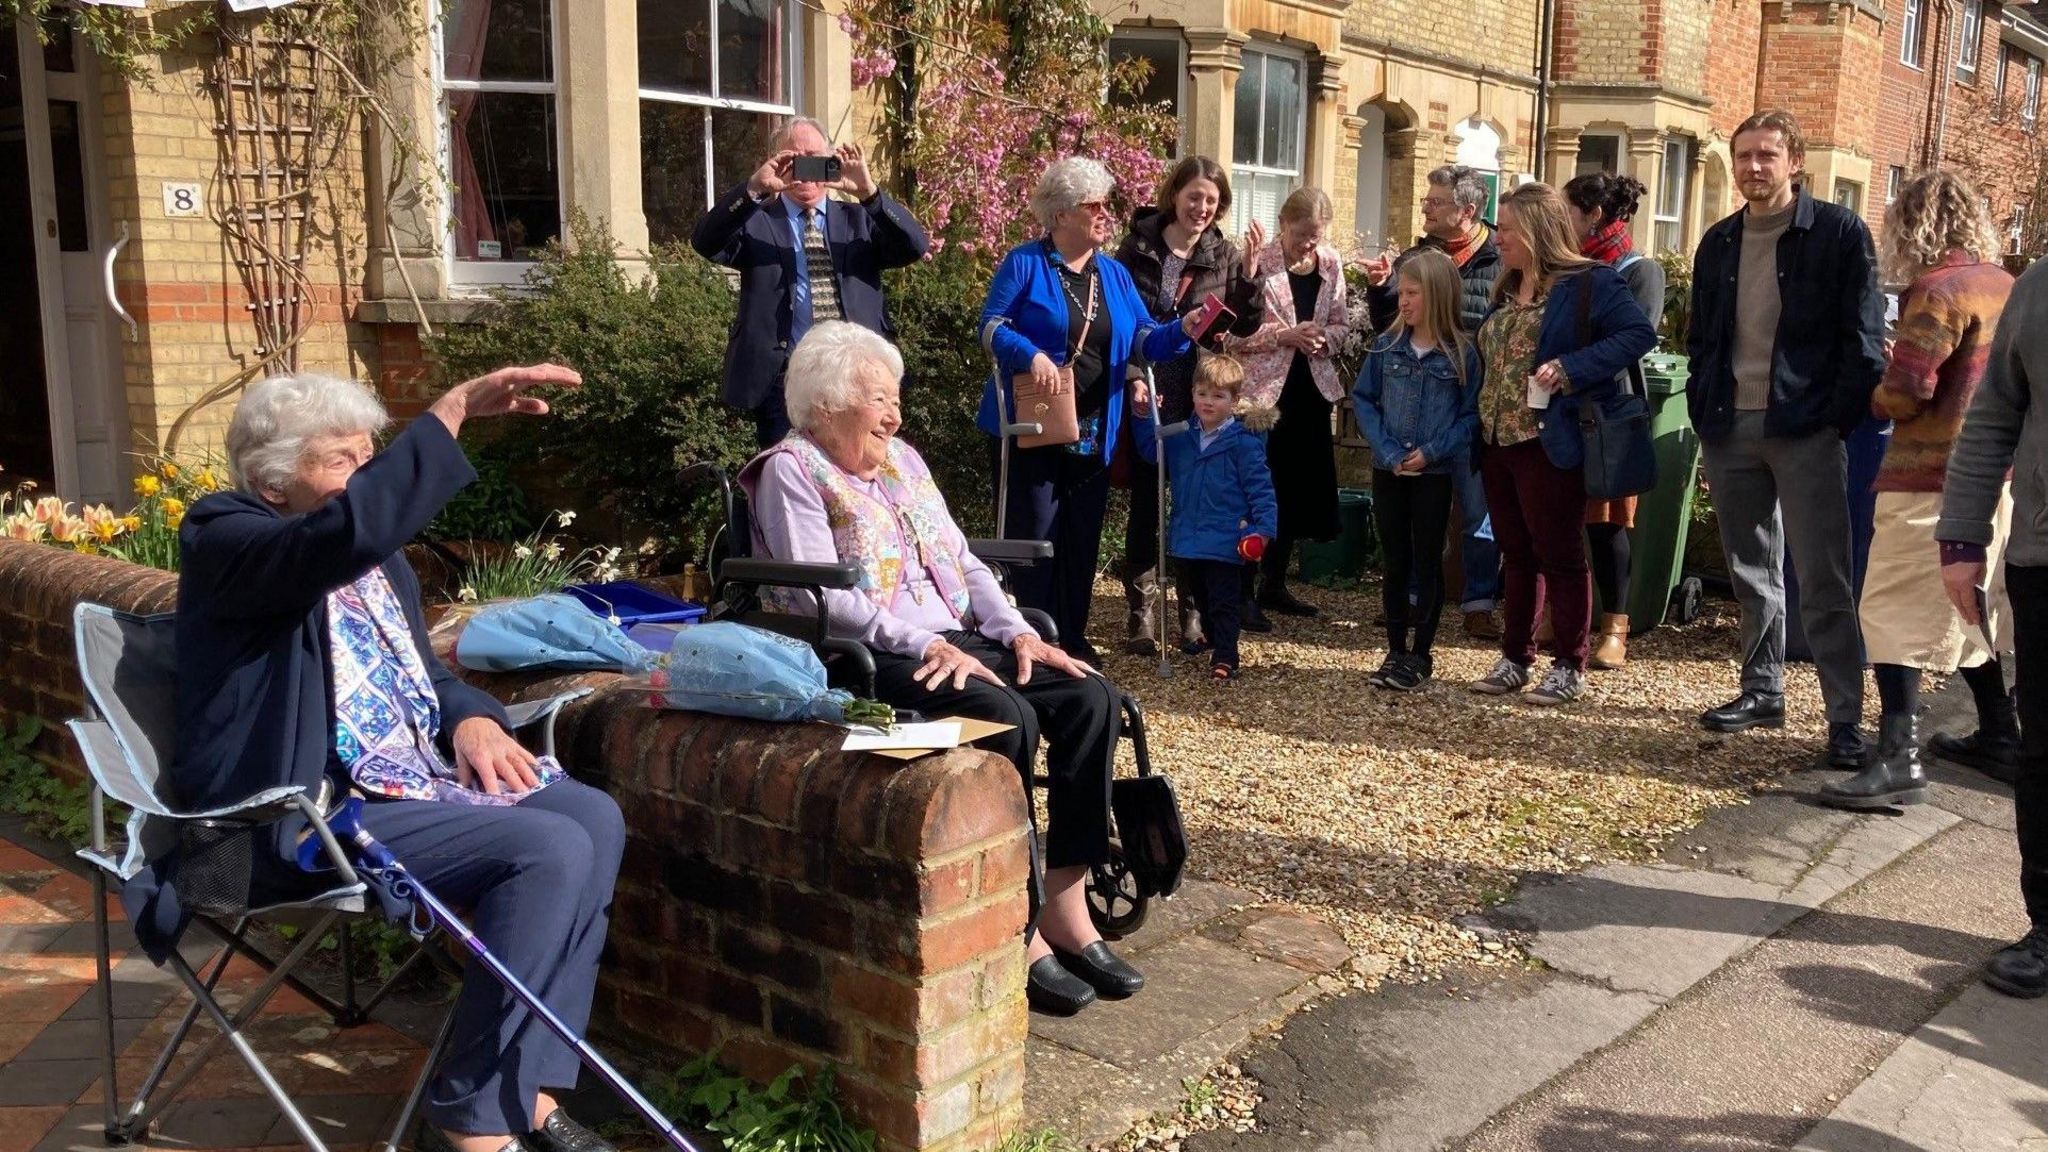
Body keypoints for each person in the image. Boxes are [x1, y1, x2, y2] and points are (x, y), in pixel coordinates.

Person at [166, 365, 628, 1152]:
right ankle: (473, 1123)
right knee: (546, 849)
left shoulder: (376, 567)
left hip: (398, 787)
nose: (367, 473)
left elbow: (427, 676)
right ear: (274, 484)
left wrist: (474, 721)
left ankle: (528, 1091)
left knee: (593, 813)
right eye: (343, 458)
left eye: (369, 452)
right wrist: (448, 413)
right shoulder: (227, 539)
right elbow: (334, 542)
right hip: (284, 820)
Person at [740, 320, 1143, 1017]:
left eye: (896, 399)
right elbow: (825, 598)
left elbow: (963, 560)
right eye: (879, 399)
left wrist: (1017, 632)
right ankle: (1017, 924)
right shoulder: (790, 470)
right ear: (828, 403)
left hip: (956, 637)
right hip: (871, 655)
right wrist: (924, 643)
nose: (895, 414)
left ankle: (1068, 903)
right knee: (1004, 717)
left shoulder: (905, 461)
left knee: (1089, 696)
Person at [1686, 109, 1887, 767]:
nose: (1753, 167)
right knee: (1751, 572)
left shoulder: (1837, 232)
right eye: (1744, 155)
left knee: (1824, 579)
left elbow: (1862, 344)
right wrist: (1702, 408)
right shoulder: (1717, 242)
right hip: (1730, 426)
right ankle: (1761, 690)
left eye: (1767, 155)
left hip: (1804, 429)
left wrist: (1833, 418)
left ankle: (1843, 723)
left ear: (1795, 160)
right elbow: (1702, 339)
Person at [1819, 173, 2014, 810]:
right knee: (1973, 607)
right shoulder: (2006, 286)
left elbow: (1908, 393)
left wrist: (1877, 384)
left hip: (1930, 477)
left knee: (1892, 613)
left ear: (1913, 225)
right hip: (2000, 478)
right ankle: (1999, 734)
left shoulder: (1936, 293)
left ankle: (1897, 757)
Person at [979, 157, 1198, 663]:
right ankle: (1031, 638)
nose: (1105, 213)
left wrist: (1183, 331)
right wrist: (1029, 353)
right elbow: (990, 326)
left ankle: (1071, 637)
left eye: (1106, 203)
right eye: (1092, 205)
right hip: (1032, 423)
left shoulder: (1115, 274)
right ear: (1060, 216)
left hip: (1095, 427)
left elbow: (1144, 339)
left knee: (1081, 534)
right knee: (1034, 534)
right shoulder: (1025, 263)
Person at [1466, 182, 1657, 706]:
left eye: (1506, 229)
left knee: (1562, 554)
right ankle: (1515, 659)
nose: (1497, 237)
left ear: (1536, 230)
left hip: (1550, 440)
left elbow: (1638, 334)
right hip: (1498, 440)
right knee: (1516, 554)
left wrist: (1573, 368)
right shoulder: (1507, 287)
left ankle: (1570, 664)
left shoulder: (1588, 282)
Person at [1940, 254, 2047, 998]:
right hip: (2046, 556)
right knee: (2043, 748)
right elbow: (1994, 417)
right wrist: (1961, 537)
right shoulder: (2039, 288)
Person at [692, 116, 931, 448]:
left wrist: (870, 194)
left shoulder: (858, 220)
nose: (804, 168)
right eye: (792, 158)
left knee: (859, 469)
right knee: (790, 472)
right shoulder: (756, 222)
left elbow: (914, 246)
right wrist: (753, 190)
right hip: (785, 377)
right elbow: (705, 241)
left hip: (857, 374)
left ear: (830, 161)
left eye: (814, 158)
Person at [1115, 156, 1268, 656]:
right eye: (1195, 196)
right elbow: (1122, 321)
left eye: (1212, 200)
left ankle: (1193, 613)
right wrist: (1135, 374)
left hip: (1200, 384)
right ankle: (1140, 615)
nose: (1203, 207)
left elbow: (1243, 326)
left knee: (1197, 498)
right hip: (1151, 378)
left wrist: (1248, 277)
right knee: (1146, 498)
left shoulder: (1223, 253)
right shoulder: (1137, 245)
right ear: (1175, 193)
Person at [1363, 164, 1505, 641]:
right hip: (1415, 402)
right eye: (1427, 200)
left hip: (1471, 399)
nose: (1425, 207)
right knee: (1415, 520)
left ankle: (1478, 603)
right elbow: (1387, 328)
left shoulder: (1500, 258)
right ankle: (1407, 602)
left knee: (1476, 508)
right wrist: (1381, 289)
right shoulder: (1415, 256)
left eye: (1435, 201)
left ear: (1468, 211)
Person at [1352, 249, 1482, 691]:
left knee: (1427, 560)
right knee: (1394, 559)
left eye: (1412, 293)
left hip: (1434, 473)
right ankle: (1394, 648)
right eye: (1401, 292)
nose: (1402, 301)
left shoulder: (1462, 355)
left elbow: (1470, 417)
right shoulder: (1387, 346)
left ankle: (1421, 653)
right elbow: (1363, 399)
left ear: (1439, 295)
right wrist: (1388, 451)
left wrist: (1430, 452)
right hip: (1389, 470)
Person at [1228, 187, 1349, 622]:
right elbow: (1230, 335)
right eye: (1302, 235)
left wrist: (1321, 338)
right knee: (1258, 492)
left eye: (1316, 236)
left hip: (1310, 391)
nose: (1309, 245)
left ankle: (1275, 585)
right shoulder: (1256, 260)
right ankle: (1243, 592)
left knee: (1296, 494)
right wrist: (1283, 335)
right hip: (1262, 395)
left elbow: (1341, 326)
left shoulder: (1331, 263)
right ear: (1283, 223)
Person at [1562, 172, 1666, 670]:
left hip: (1609, 413)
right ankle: (1565, 619)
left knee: (1606, 524)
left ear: (1594, 214)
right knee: (1559, 517)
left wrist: (1573, 360)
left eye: (1568, 211)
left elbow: (1632, 339)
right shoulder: (1567, 266)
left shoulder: (1639, 271)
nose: (1561, 220)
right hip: (1561, 407)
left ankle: (1615, 628)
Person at [1146, 353, 1278, 681]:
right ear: (1192, 394)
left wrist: (1262, 529)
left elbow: (1262, 489)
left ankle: (1226, 654)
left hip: (1226, 538)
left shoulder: (1243, 443)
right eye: (1202, 394)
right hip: (1188, 536)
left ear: (1234, 401)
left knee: (1223, 599)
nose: (1208, 402)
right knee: (1198, 598)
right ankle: (1212, 637)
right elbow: (1151, 453)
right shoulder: (1182, 437)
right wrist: (1143, 413)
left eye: (1218, 396)